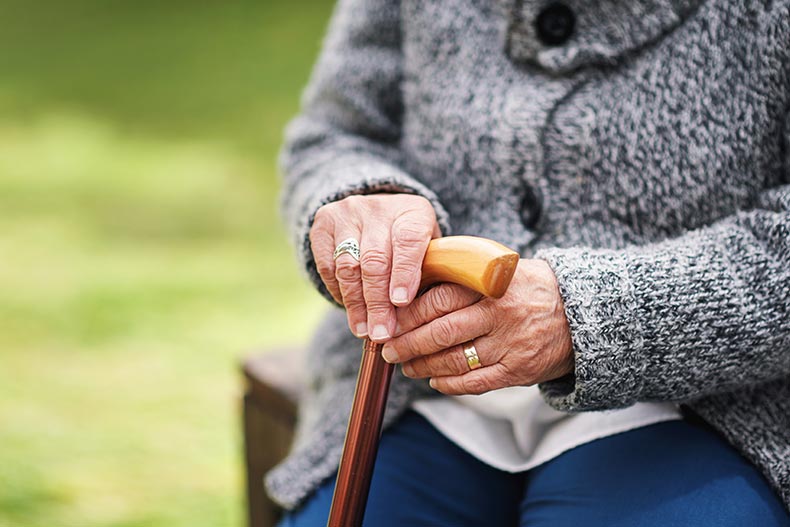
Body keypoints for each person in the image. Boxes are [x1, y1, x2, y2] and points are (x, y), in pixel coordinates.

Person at [268, 0, 790, 525]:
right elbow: (336, 135)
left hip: (703, 405)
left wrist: (595, 318)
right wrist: (363, 203)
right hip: (414, 392)